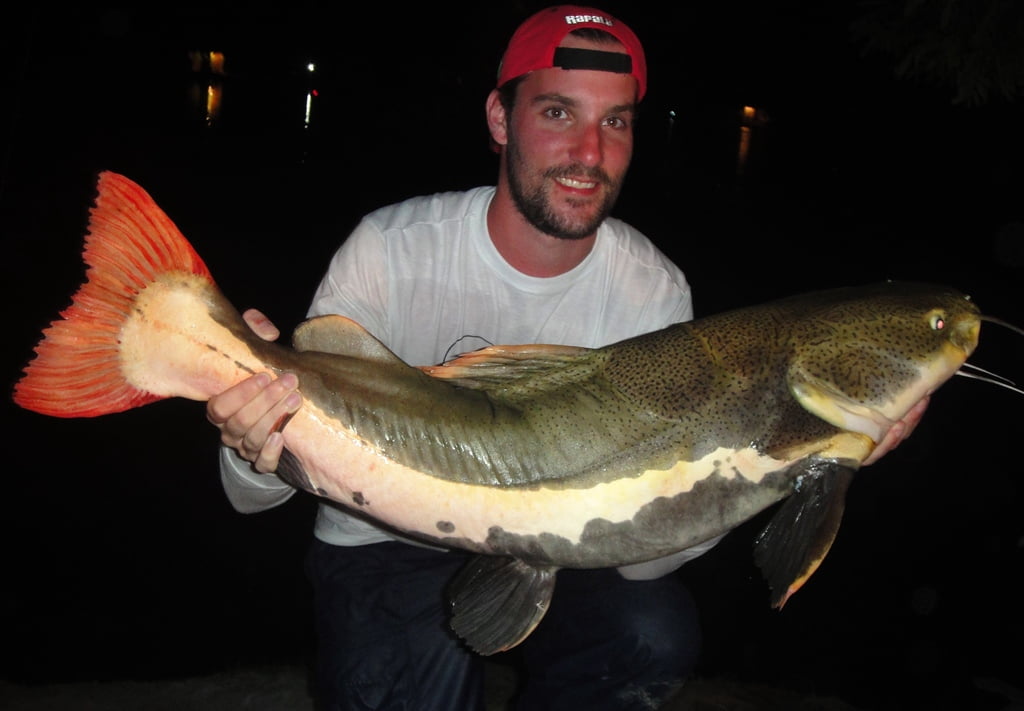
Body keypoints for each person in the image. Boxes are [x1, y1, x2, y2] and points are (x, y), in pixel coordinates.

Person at [207, 6, 928, 710]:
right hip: (380, 537)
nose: (589, 152)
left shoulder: (653, 292)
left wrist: (779, 459)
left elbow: (642, 560)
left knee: (650, 634)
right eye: (558, 113)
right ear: (500, 119)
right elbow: (251, 494)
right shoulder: (390, 252)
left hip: (564, 544)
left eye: (615, 121)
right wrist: (250, 440)